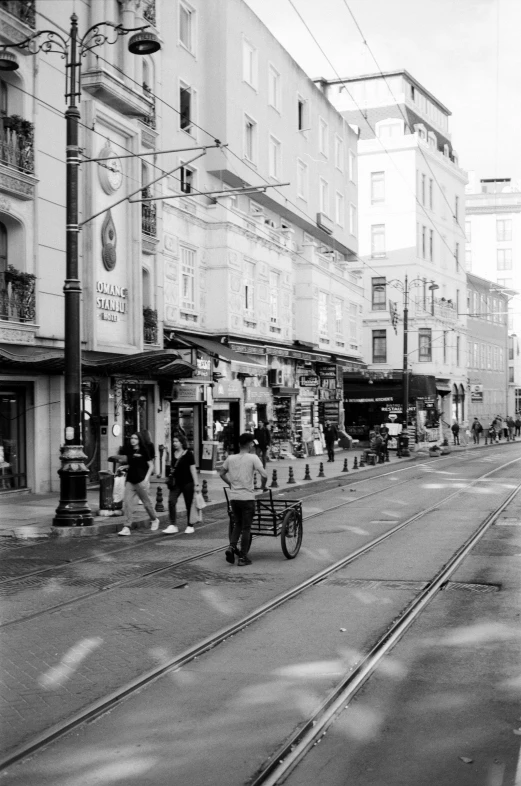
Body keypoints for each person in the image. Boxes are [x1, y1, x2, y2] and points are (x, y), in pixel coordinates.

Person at [219, 432, 268, 566]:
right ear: (250, 444)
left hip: (234, 498)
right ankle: (243, 557)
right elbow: (264, 475)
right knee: (246, 528)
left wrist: (230, 484)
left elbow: (221, 473)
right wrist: (263, 487)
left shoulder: (230, 458)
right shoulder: (253, 458)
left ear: (240, 444)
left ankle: (231, 547)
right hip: (247, 498)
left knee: (237, 524)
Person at [117, 432, 160, 536]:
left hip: (141, 481)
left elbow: (151, 466)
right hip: (130, 480)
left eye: (135, 438)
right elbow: (133, 464)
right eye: (132, 438)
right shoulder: (129, 451)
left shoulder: (144, 450)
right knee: (127, 503)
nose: (133, 440)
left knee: (147, 504)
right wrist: (125, 467)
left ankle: (154, 519)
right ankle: (127, 527)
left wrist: (146, 479)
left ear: (139, 440)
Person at [162, 433, 200, 535]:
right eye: (173, 441)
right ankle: (173, 525)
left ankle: (190, 525)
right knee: (171, 501)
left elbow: (193, 469)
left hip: (188, 483)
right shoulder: (173, 453)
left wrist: (196, 484)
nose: (174, 443)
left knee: (189, 505)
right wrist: (166, 457)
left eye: (176, 441)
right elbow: (169, 468)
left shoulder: (188, 454)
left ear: (182, 442)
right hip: (176, 483)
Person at [253, 421, 271, 488]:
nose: (259, 423)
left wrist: (268, 444)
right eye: (259, 422)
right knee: (257, 455)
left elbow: (269, 438)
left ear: (262, 424)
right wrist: (255, 444)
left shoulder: (265, 430)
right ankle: (257, 466)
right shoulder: (256, 430)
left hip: (264, 445)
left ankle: (263, 467)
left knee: (263, 457)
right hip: (258, 445)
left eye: (260, 422)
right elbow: (254, 437)